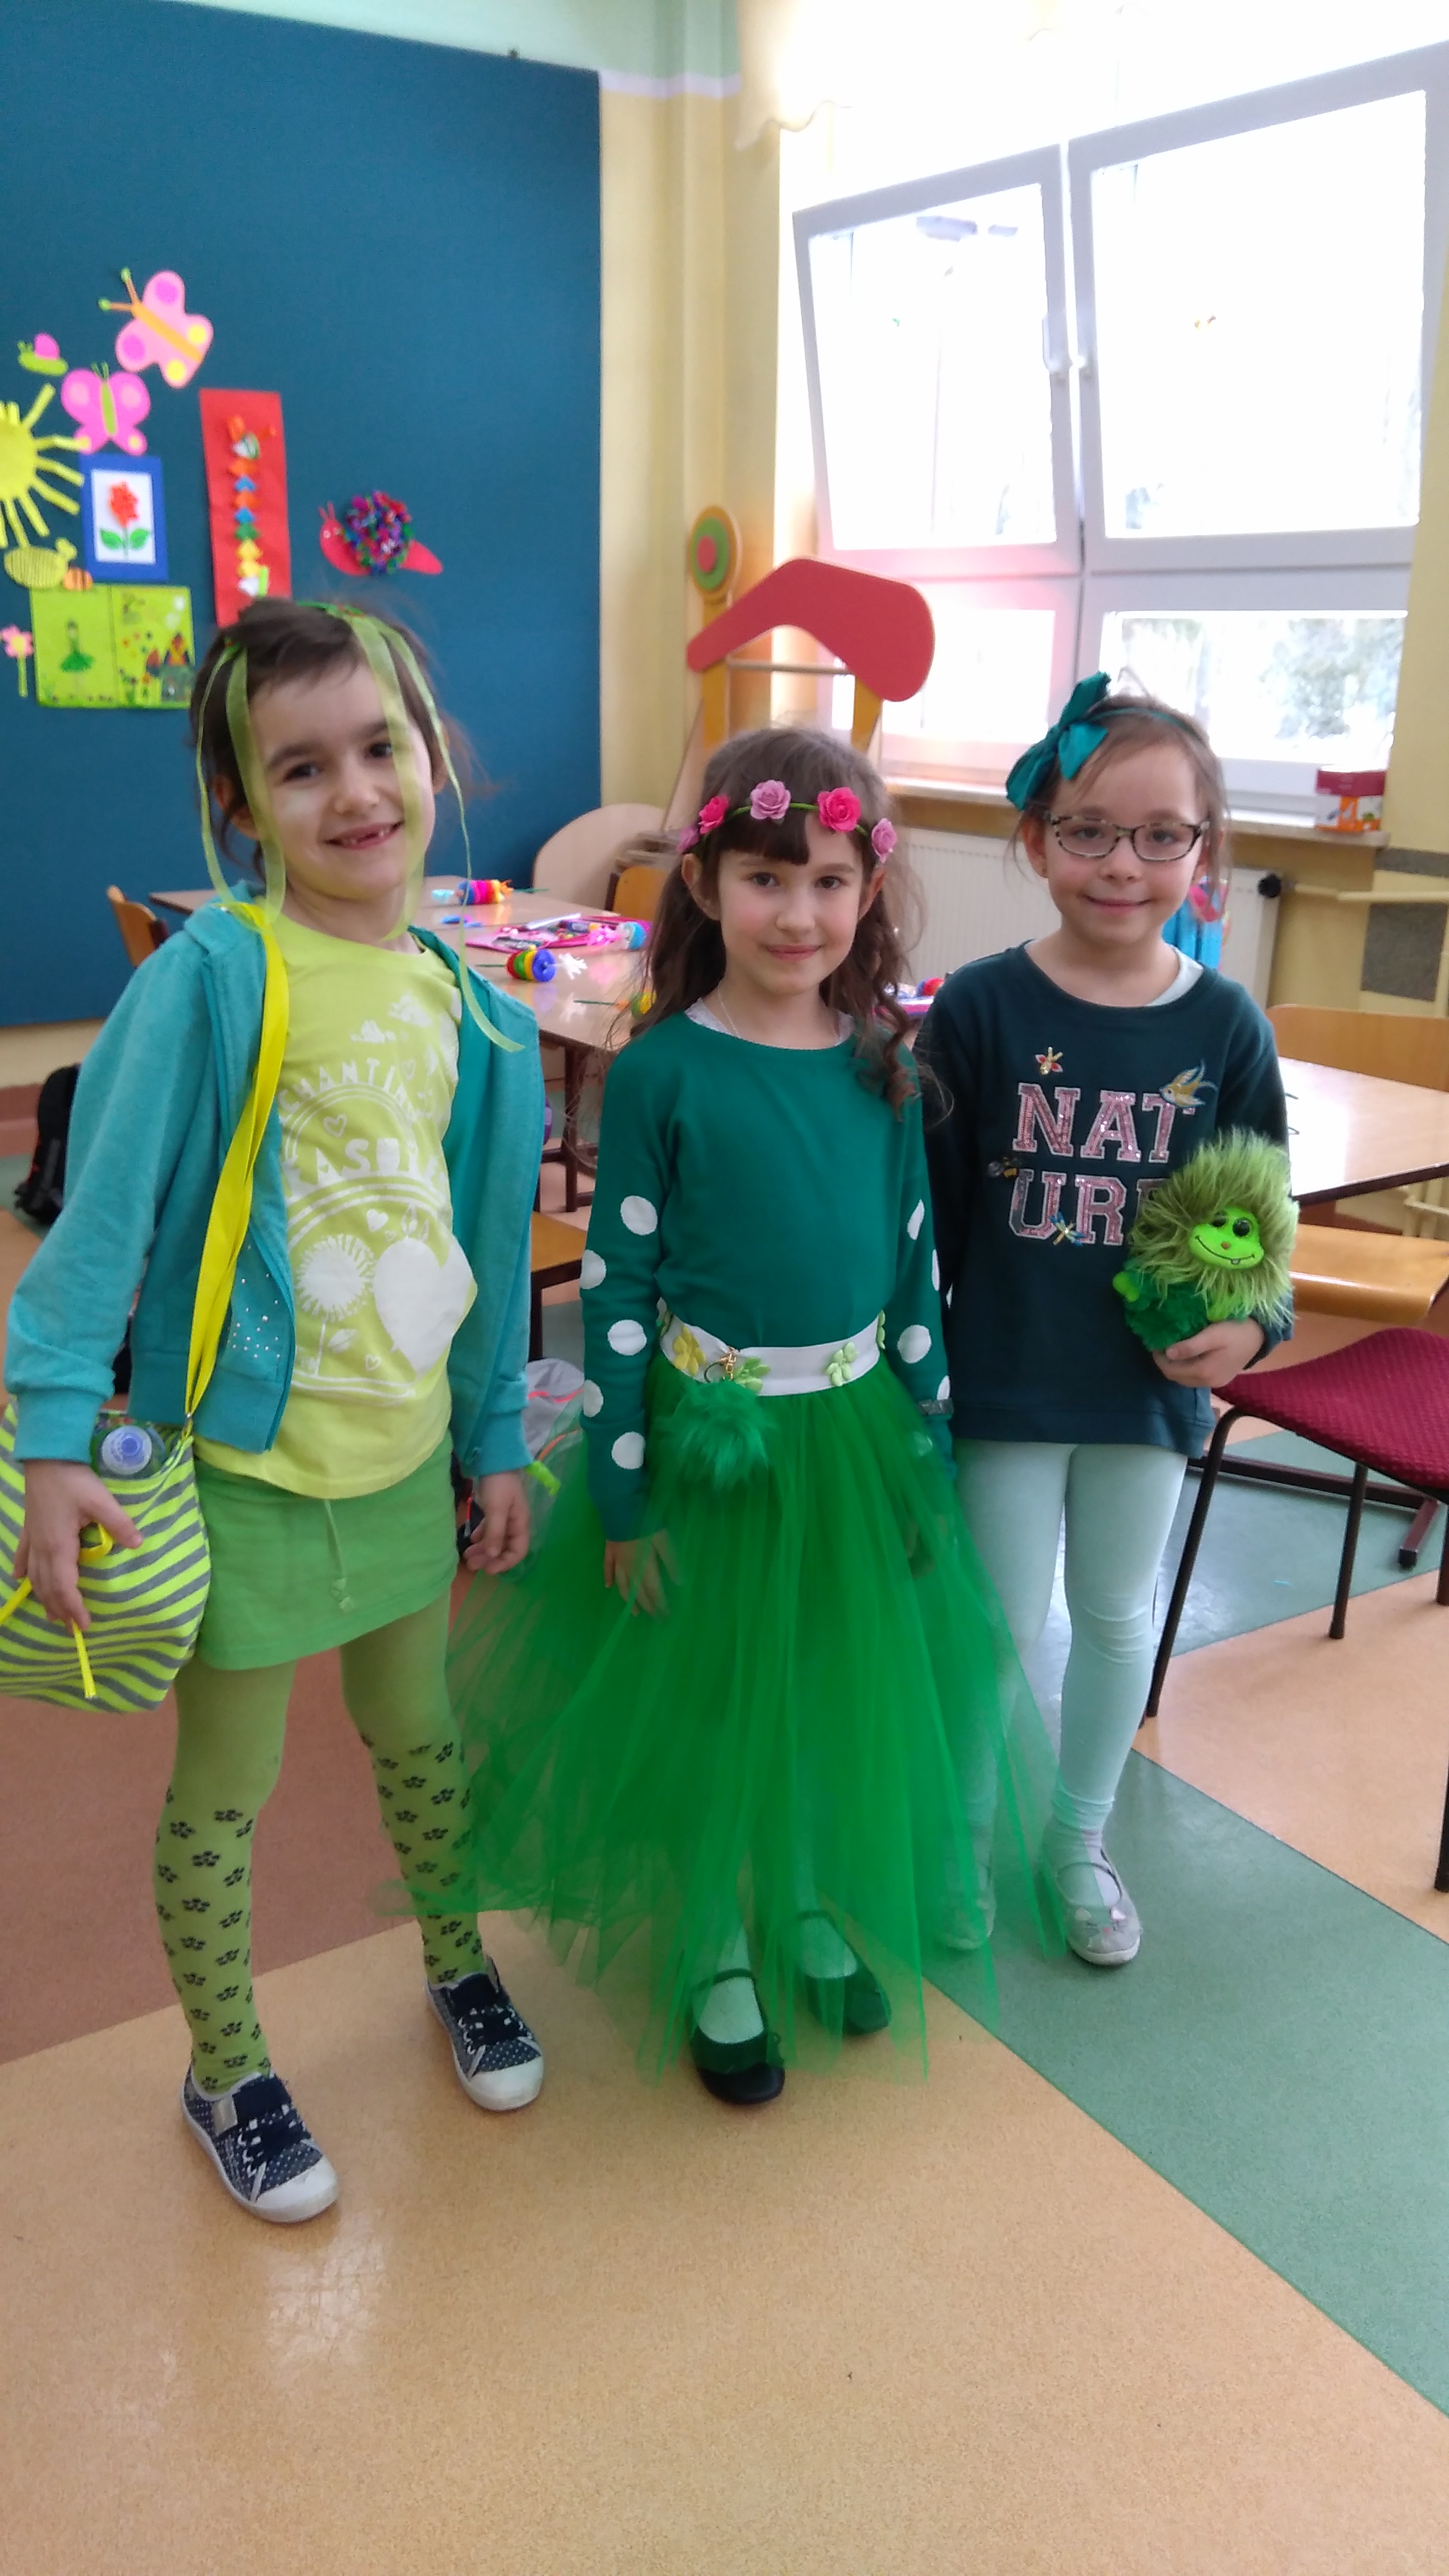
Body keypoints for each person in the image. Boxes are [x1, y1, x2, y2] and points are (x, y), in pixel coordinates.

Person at [6, 599, 546, 2221]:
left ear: (431, 754)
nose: (356, 793)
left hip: (398, 1462)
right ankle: (227, 2066)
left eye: (381, 748)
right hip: (236, 1471)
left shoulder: (478, 1009)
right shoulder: (216, 976)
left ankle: (456, 1962)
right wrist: (52, 1434)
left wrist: (493, 1440)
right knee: (227, 1788)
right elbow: (101, 1215)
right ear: (240, 804)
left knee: (423, 1739)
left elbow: (481, 1247)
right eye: (302, 768)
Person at [430, 726, 1061, 2108]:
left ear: (869, 892)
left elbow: (914, 1279)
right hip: (709, 1449)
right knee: (719, 1701)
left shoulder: (885, 1063)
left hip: (851, 1444)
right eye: (766, 878)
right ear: (705, 883)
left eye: (829, 880)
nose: (798, 913)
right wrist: (627, 1492)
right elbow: (617, 1290)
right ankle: (716, 1931)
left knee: (822, 1690)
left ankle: (805, 1897)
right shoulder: (667, 1069)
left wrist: (925, 1456)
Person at [917, 674, 1290, 1971]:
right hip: (1006, 1383)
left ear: (1205, 851)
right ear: (1037, 840)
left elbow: (1259, 1219)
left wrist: (1257, 1327)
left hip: (1146, 1392)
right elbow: (925, 1217)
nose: (1122, 863)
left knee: (1120, 1619)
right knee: (999, 1629)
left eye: (1159, 835)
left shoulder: (1225, 1025)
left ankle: (1078, 1840)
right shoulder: (979, 1008)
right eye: (1088, 830)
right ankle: (961, 1837)